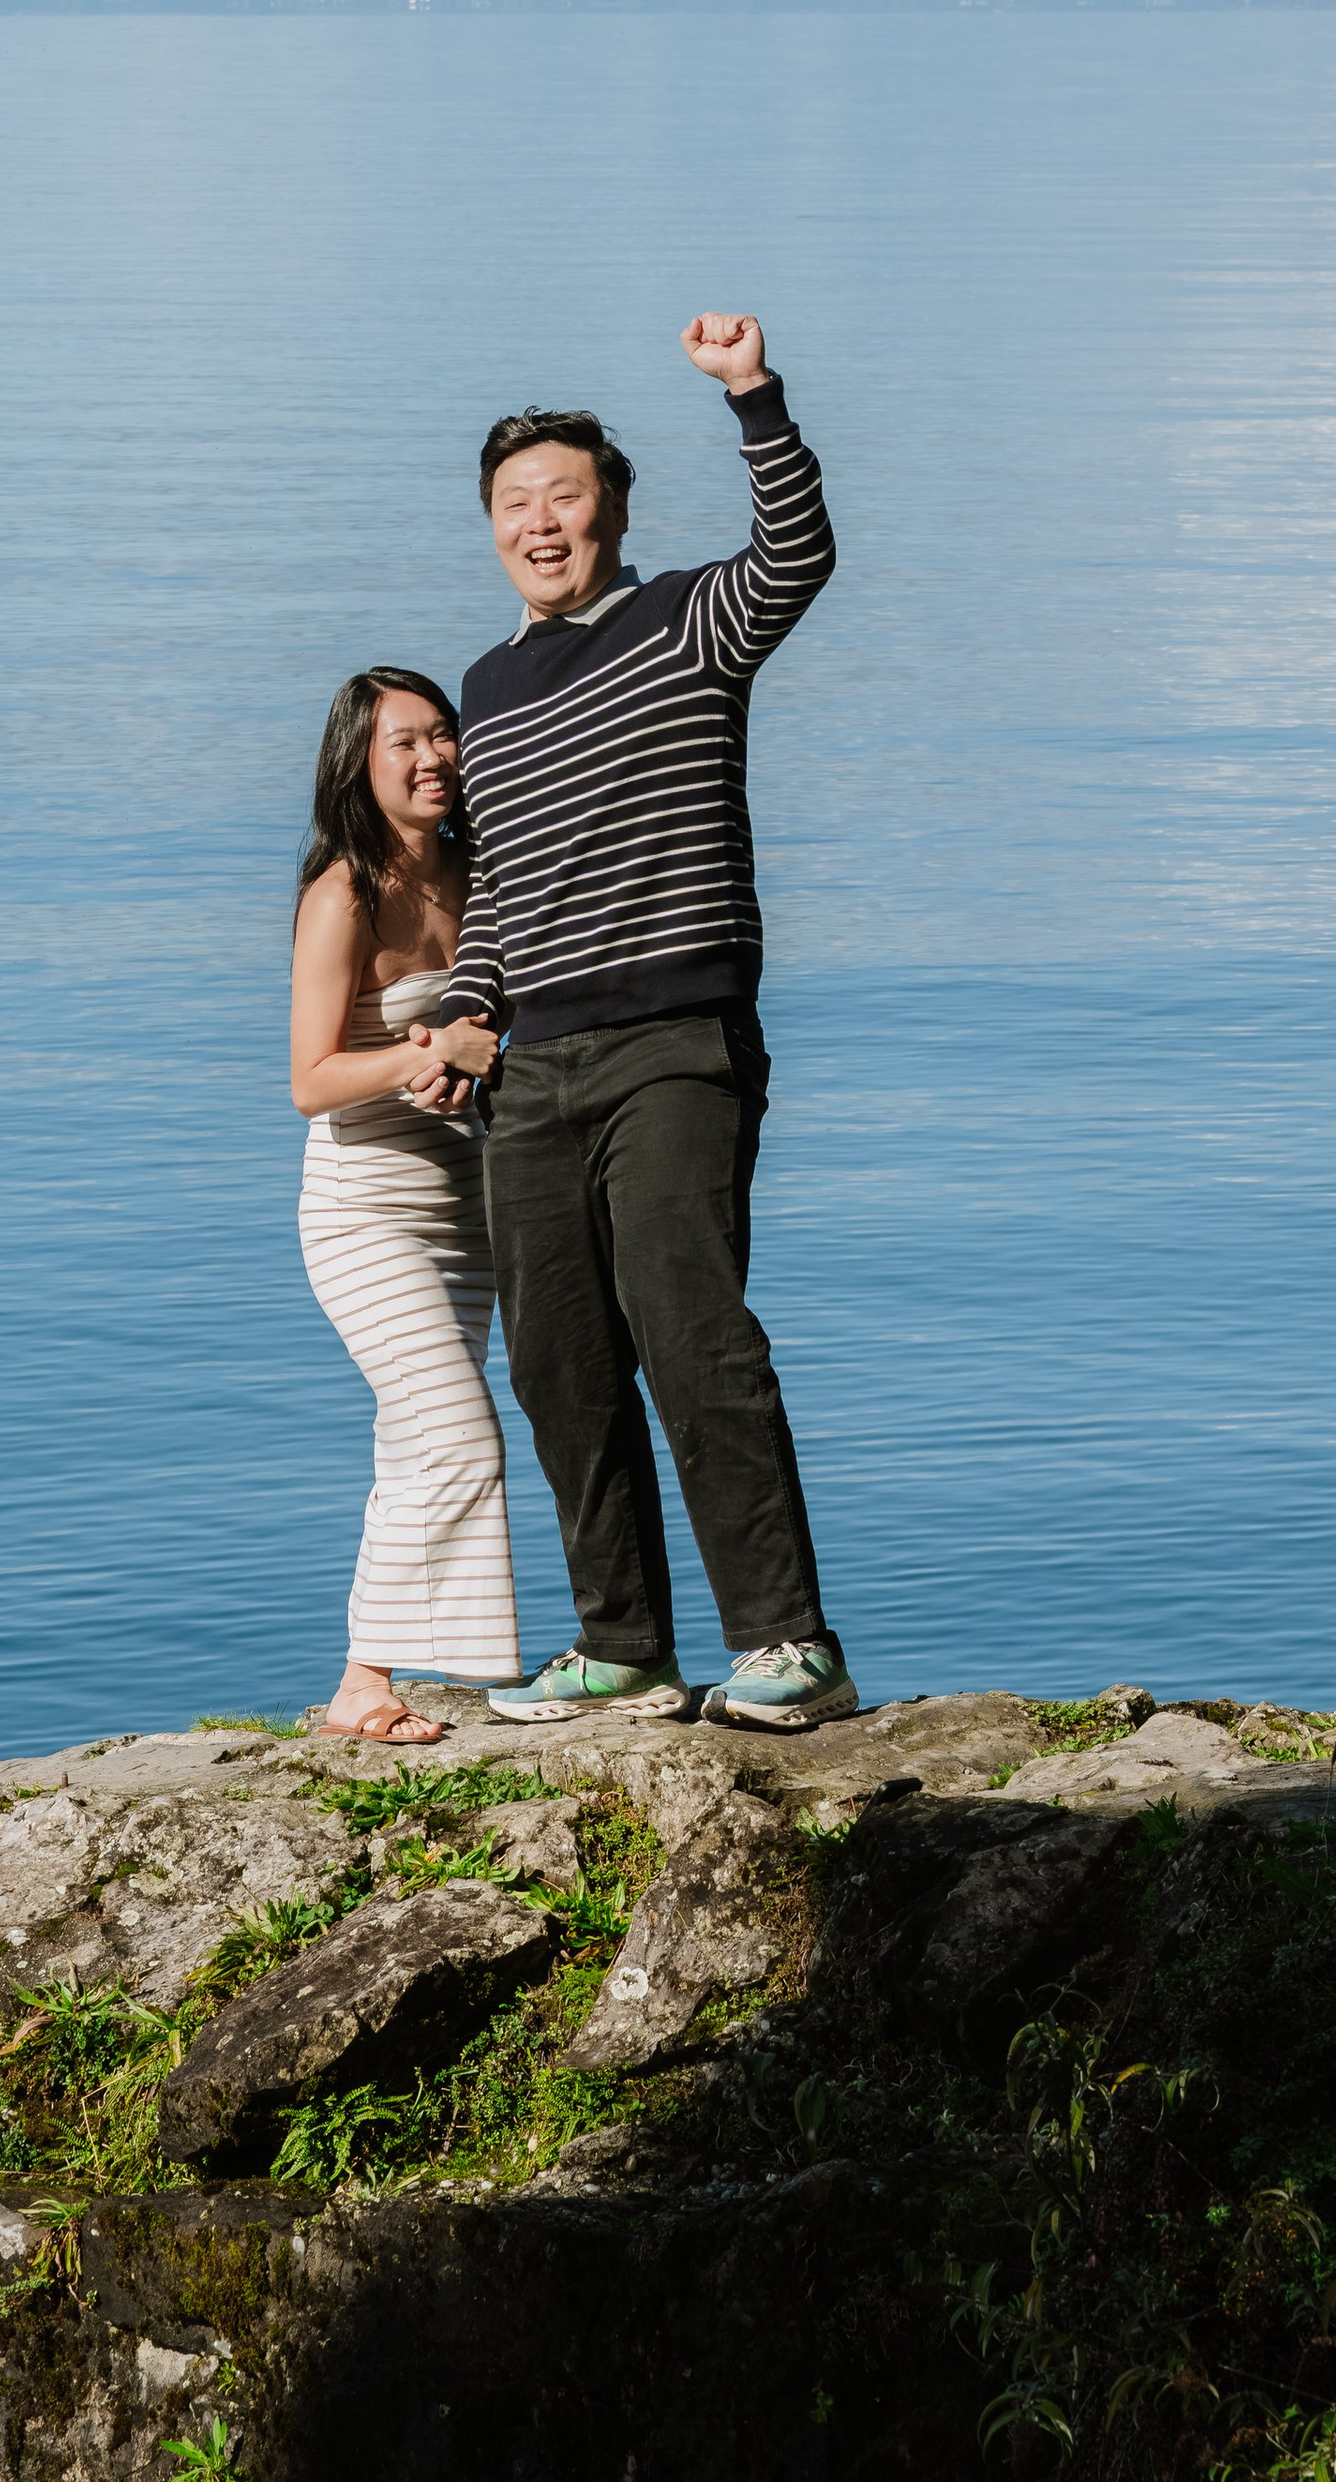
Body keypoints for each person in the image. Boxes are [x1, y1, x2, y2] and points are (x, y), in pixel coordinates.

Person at [405, 314, 856, 1732]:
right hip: (531, 1070)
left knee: (691, 1333)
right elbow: (501, 887)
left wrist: (753, 396)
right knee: (559, 1364)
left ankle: (789, 1645)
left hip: (675, 1043)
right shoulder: (487, 689)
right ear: (491, 527)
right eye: (514, 503)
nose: (540, 522)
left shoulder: (686, 623)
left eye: (565, 495)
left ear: (612, 509)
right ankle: (625, 1649)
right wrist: (466, 1007)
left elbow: (796, 555)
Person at [290, 665, 520, 1744]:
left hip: (464, 1204)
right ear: (359, 763)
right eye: (404, 742)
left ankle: (362, 1682)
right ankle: (389, 1671)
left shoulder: (483, 869)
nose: (433, 758)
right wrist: (426, 1054)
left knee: (414, 1439)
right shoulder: (343, 893)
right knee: (459, 1434)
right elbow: (311, 1080)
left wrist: (475, 1058)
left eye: (443, 734)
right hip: (364, 1208)